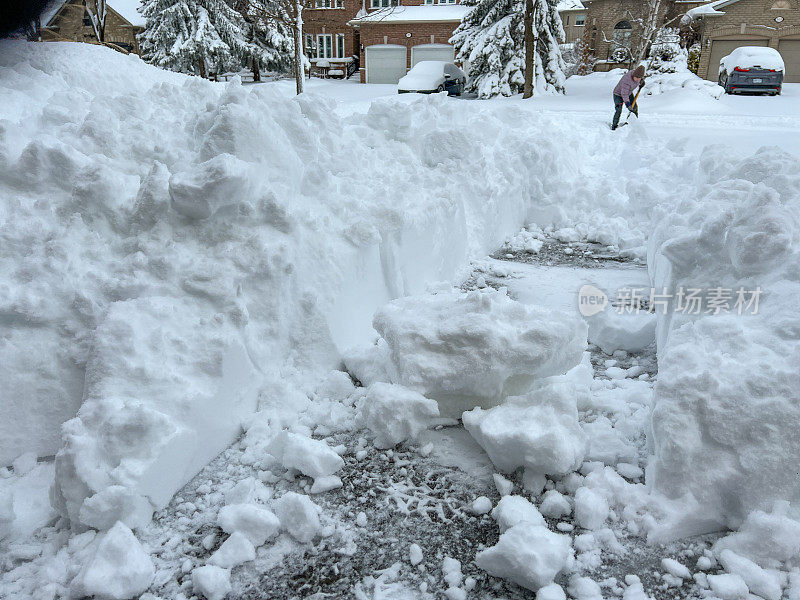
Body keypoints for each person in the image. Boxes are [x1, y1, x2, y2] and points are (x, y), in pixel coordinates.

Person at [612, 65, 645, 130]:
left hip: (628, 93)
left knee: (634, 108)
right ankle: (614, 126)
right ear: (634, 75)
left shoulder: (638, 77)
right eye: (637, 78)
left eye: (639, 78)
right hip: (618, 95)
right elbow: (624, 94)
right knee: (618, 110)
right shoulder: (626, 80)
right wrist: (627, 104)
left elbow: (640, 80)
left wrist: (642, 82)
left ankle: (632, 124)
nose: (638, 80)